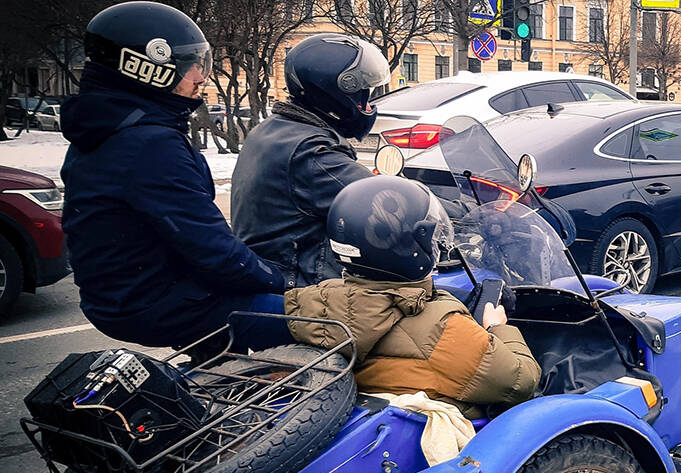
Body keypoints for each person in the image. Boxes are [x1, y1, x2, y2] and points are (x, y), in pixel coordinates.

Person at [60, 1, 288, 352]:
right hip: (160, 303)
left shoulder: (110, 126)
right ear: (145, 68)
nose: (201, 75)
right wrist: (286, 282)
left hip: (124, 297)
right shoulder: (148, 143)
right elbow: (213, 252)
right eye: (189, 64)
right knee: (326, 324)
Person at [283, 176, 541, 417]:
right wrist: (497, 327)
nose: (436, 243)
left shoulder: (314, 304)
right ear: (409, 246)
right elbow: (522, 382)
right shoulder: (443, 328)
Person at [231, 34, 389, 287]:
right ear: (334, 91)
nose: (366, 104)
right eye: (362, 94)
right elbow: (383, 199)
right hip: (304, 290)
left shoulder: (276, 128)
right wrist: (453, 208)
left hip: (273, 273)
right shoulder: (311, 153)